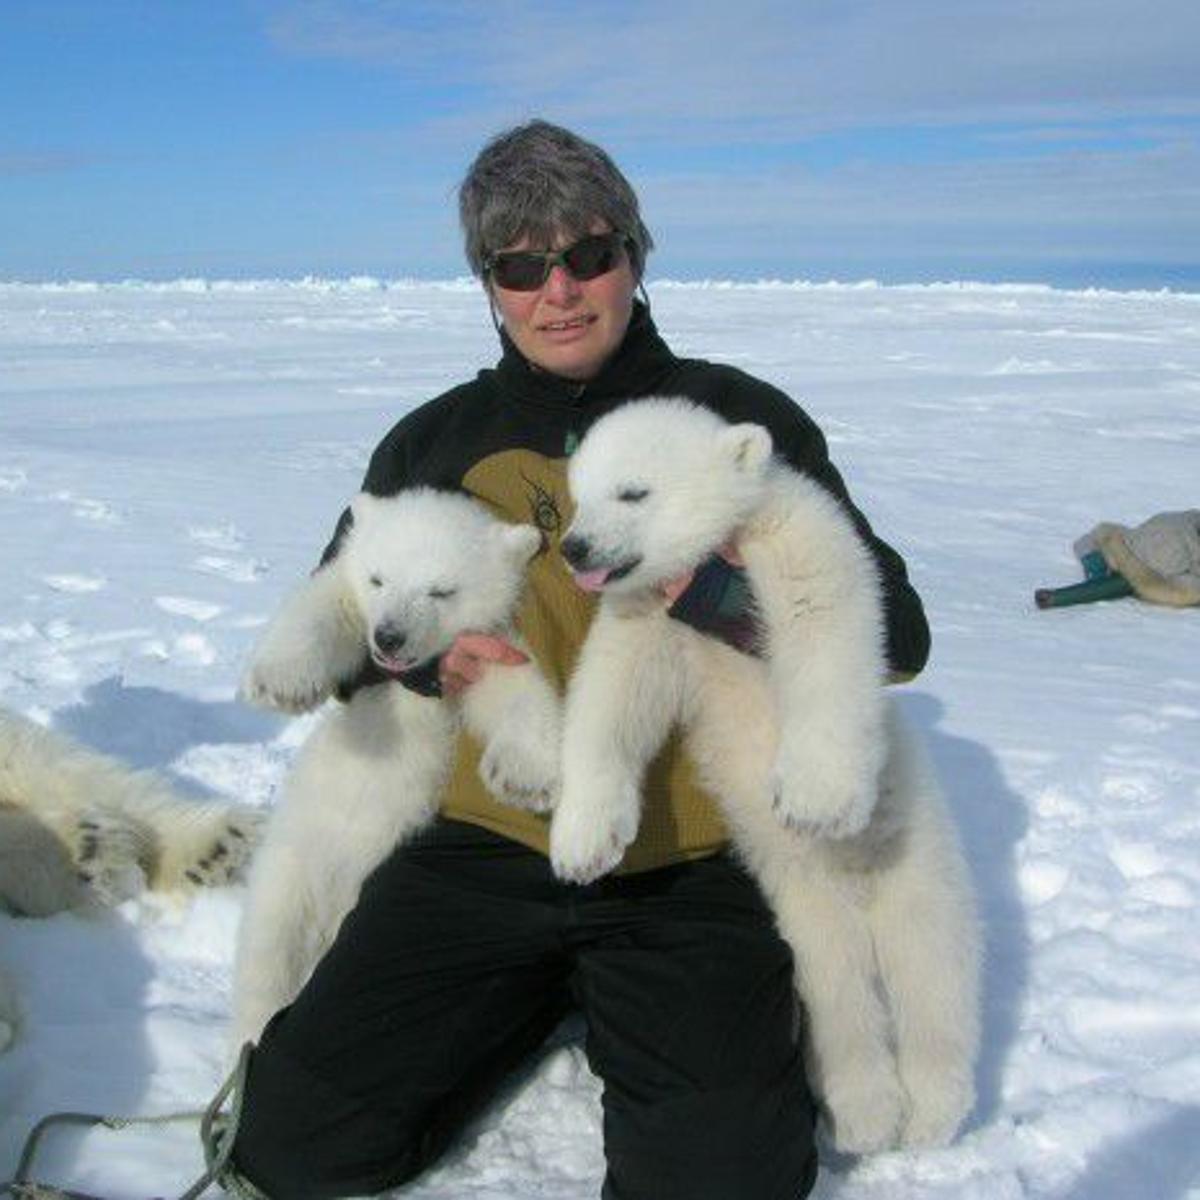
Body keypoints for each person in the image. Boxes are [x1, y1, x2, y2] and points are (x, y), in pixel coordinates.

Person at [227, 119, 930, 1199]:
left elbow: (899, 634)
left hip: (688, 865)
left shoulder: (735, 421)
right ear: (490, 286)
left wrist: (709, 590)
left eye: (587, 254)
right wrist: (423, 667)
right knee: (291, 1144)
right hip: (487, 845)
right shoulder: (435, 442)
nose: (559, 290)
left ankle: (644, 1013)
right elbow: (351, 630)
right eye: (521, 266)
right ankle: (522, 1001)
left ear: (634, 257)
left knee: (720, 1180)